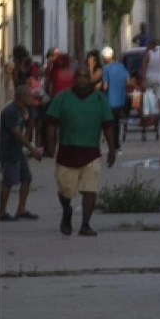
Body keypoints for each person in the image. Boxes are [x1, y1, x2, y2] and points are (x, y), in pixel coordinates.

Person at [45, 66, 118, 237]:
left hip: (91, 153)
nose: (82, 80)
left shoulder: (100, 99)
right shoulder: (62, 98)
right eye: (78, 76)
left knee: (89, 189)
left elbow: (108, 125)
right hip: (66, 152)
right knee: (65, 190)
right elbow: (51, 123)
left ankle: (85, 224)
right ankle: (67, 210)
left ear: (90, 78)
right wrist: (50, 145)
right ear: (74, 78)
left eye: (85, 76)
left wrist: (112, 149)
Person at [0, 85, 43, 221]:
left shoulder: (22, 110)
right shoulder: (10, 111)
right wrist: (32, 149)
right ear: (21, 97)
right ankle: (1, 211)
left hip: (17, 149)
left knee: (26, 178)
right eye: (29, 96)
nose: (31, 98)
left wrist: (30, 122)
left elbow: (25, 131)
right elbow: (16, 133)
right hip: (9, 150)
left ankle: (21, 209)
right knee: (8, 181)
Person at [99, 47, 130, 155]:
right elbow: (127, 80)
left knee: (108, 125)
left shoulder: (106, 69)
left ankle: (112, 146)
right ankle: (117, 146)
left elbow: (105, 86)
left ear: (104, 58)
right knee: (116, 124)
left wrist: (100, 88)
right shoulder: (121, 66)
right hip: (120, 100)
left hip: (110, 101)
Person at [140, 39, 160, 105]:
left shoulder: (147, 55)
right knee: (159, 98)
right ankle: (158, 112)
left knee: (149, 98)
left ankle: (151, 113)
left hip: (149, 78)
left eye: (147, 45)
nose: (146, 47)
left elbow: (143, 67)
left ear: (151, 45)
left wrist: (143, 79)